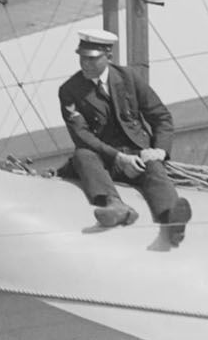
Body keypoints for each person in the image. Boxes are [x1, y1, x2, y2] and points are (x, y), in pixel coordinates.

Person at [57, 27, 191, 241]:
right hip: (104, 159)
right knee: (82, 155)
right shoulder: (69, 90)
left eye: (92, 59)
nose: (85, 63)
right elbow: (81, 135)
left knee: (154, 168)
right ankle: (115, 204)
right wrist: (118, 157)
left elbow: (161, 117)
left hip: (138, 155)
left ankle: (173, 221)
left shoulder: (128, 78)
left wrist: (160, 151)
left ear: (108, 56)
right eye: (82, 58)